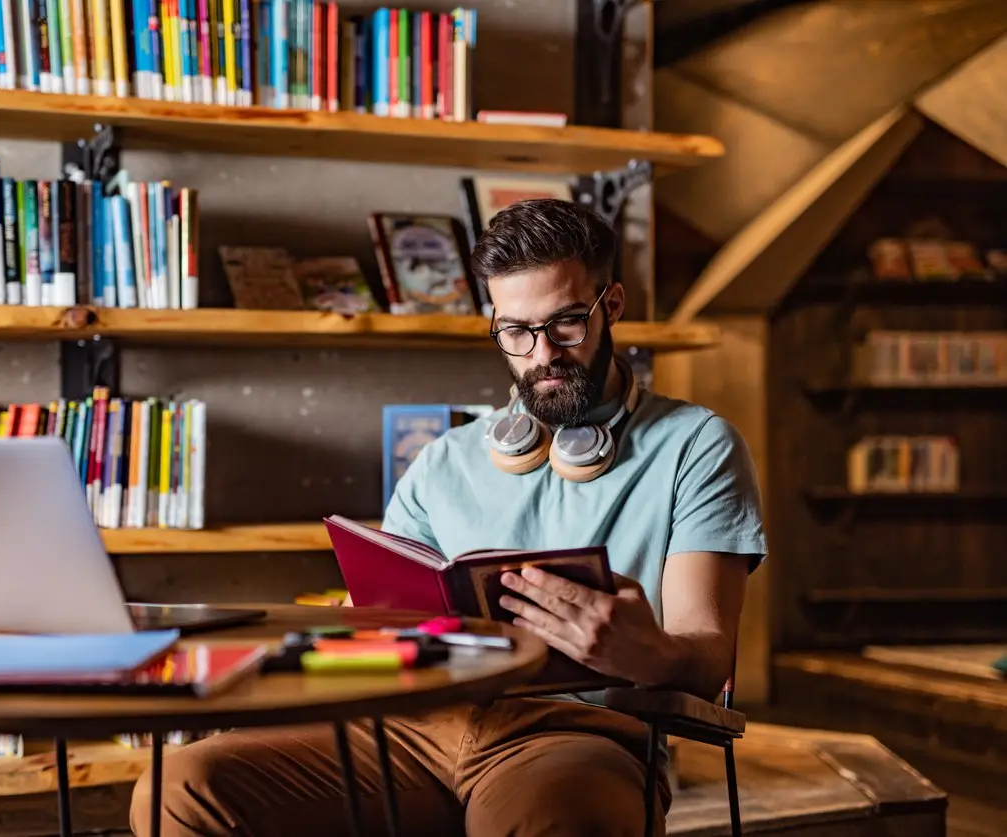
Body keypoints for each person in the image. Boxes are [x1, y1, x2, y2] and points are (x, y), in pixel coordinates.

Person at [129, 198, 767, 837]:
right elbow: (381, 626)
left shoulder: (695, 444)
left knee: (555, 819)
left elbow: (707, 659)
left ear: (614, 305)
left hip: (572, 732)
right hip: (407, 727)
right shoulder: (444, 460)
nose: (542, 355)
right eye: (515, 332)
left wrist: (649, 652)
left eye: (567, 323)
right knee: (180, 788)